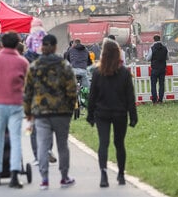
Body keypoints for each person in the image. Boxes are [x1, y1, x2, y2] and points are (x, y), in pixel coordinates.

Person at [23, 34, 77, 191]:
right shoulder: (64, 65)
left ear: (42, 47)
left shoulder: (34, 67)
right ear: (54, 47)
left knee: (42, 145)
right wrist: (70, 107)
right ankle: (64, 177)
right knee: (62, 145)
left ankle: (44, 179)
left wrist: (28, 112)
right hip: (61, 112)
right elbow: (72, 89)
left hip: (41, 112)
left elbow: (28, 92)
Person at [87, 39, 138, 188]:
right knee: (119, 143)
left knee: (103, 143)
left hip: (102, 112)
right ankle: (121, 174)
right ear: (118, 54)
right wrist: (133, 116)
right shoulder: (123, 73)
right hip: (119, 113)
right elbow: (130, 96)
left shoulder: (98, 72)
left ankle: (103, 174)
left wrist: (90, 114)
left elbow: (92, 96)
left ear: (103, 54)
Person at [0, 32, 30, 188]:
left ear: (2, 44)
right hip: (16, 104)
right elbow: (27, 85)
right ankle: (15, 174)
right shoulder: (22, 62)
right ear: (17, 44)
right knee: (15, 139)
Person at [145, 35, 168, 104]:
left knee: (153, 84)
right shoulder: (165, 48)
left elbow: (147, 59)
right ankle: (160, 100)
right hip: (163, 68)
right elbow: (167, 57)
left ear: (154, 40)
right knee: (161, 84)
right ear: (159, 39)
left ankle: (154, 100)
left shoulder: (152, 48)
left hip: (154, 68)